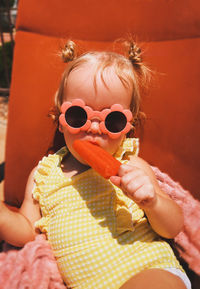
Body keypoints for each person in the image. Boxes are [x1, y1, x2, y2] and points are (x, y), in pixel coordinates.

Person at [0, 40, 192, 289]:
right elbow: (27, 230)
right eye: (78, 116)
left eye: (112, 121)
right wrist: (4, 217)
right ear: (60, 120)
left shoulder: (131, 165)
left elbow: (173, 227)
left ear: (126, 129)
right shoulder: (43, 175)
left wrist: (152, 202)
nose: (93, 127)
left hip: (150, 269)